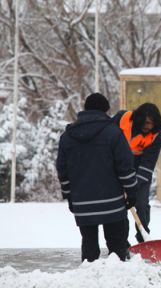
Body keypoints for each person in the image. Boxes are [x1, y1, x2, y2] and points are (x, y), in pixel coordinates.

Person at [56, 93, 139, 262]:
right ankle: (117, 280)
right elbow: (125, 166)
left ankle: (88, 277)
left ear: (85, 109)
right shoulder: (114, 133)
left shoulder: (67, 137)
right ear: (105, 110)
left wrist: (69, 195)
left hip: (82, 203)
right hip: (112, 203)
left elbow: (62, 170)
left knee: (89, 246)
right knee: (117, 247)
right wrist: (131, 192)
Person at [112, 103, 161, 243]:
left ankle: (143, 236)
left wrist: (133, 185)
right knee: (119, 207)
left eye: (152, 123)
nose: (149, 127)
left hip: (139, 174)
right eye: (147, 122)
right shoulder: (120, 120)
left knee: (141, 204)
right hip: (115, 171)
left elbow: (148, 164)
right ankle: (121, 241)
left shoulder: (156, 137)